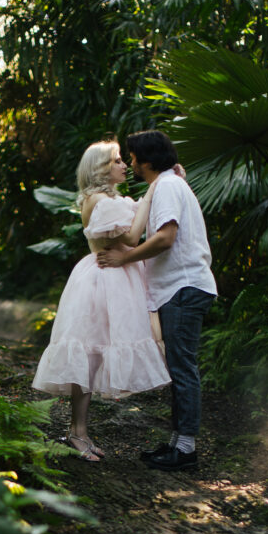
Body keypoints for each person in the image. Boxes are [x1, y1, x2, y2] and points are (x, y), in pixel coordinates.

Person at [32, 139, 170, 462]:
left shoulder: (110, 199)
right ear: (100, 168)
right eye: (117, 160)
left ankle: (80, 431)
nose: (124, 165)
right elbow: (134, 236)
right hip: (101, 282)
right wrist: (154, 192)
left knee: (92, 355)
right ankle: (77, 433)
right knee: (88, 354)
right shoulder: (100, 201)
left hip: (113, 280)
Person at [96, 130, 217, 470]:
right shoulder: (165, 184)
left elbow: (165, 238)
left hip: (183, 287)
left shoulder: (166, 186)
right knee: (179, 365)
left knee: (182, 367)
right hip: (178, 288)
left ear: (146, 160)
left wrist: (125, 258)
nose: (130, 161)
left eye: (132, 156)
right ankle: (177, 444)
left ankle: (186, 450)